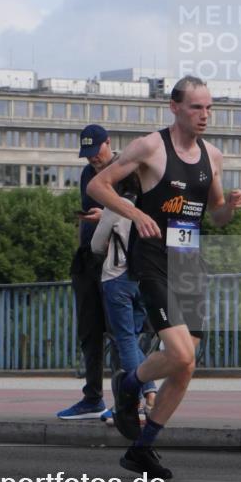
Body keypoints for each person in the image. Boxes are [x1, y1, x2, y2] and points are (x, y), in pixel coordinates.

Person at [87, 76, 241, 478]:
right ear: (175, 107)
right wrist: (136, 213)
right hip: (155, 261)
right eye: (196, 107)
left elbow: (216, 213)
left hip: (190, 263)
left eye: (209, 108)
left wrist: (231, 209)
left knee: (185, 367)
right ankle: (128, 382)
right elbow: (98, 185)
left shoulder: (214, 156)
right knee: (181, 354)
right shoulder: (150, 147)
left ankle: (142, 448)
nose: (204, 115)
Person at [56, 125, 116, 420]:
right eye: (87, 154)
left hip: (117, 262)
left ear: (109, 143)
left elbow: (138, 212)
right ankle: (93, 398)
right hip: (89, 260)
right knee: (89, 331)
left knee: (121, 332)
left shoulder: (125, 169)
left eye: (97, 152)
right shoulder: (87, 173)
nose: (93, 159)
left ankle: (131, 399)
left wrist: (106, 215)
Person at [91, 174, 157, 425]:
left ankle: (139, 399)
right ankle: (150, 392)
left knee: (125, 340)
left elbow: (97, 245)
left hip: (117, 279)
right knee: (133, 342)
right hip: (145, 280)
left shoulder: (115, 206)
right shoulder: (151, 207)